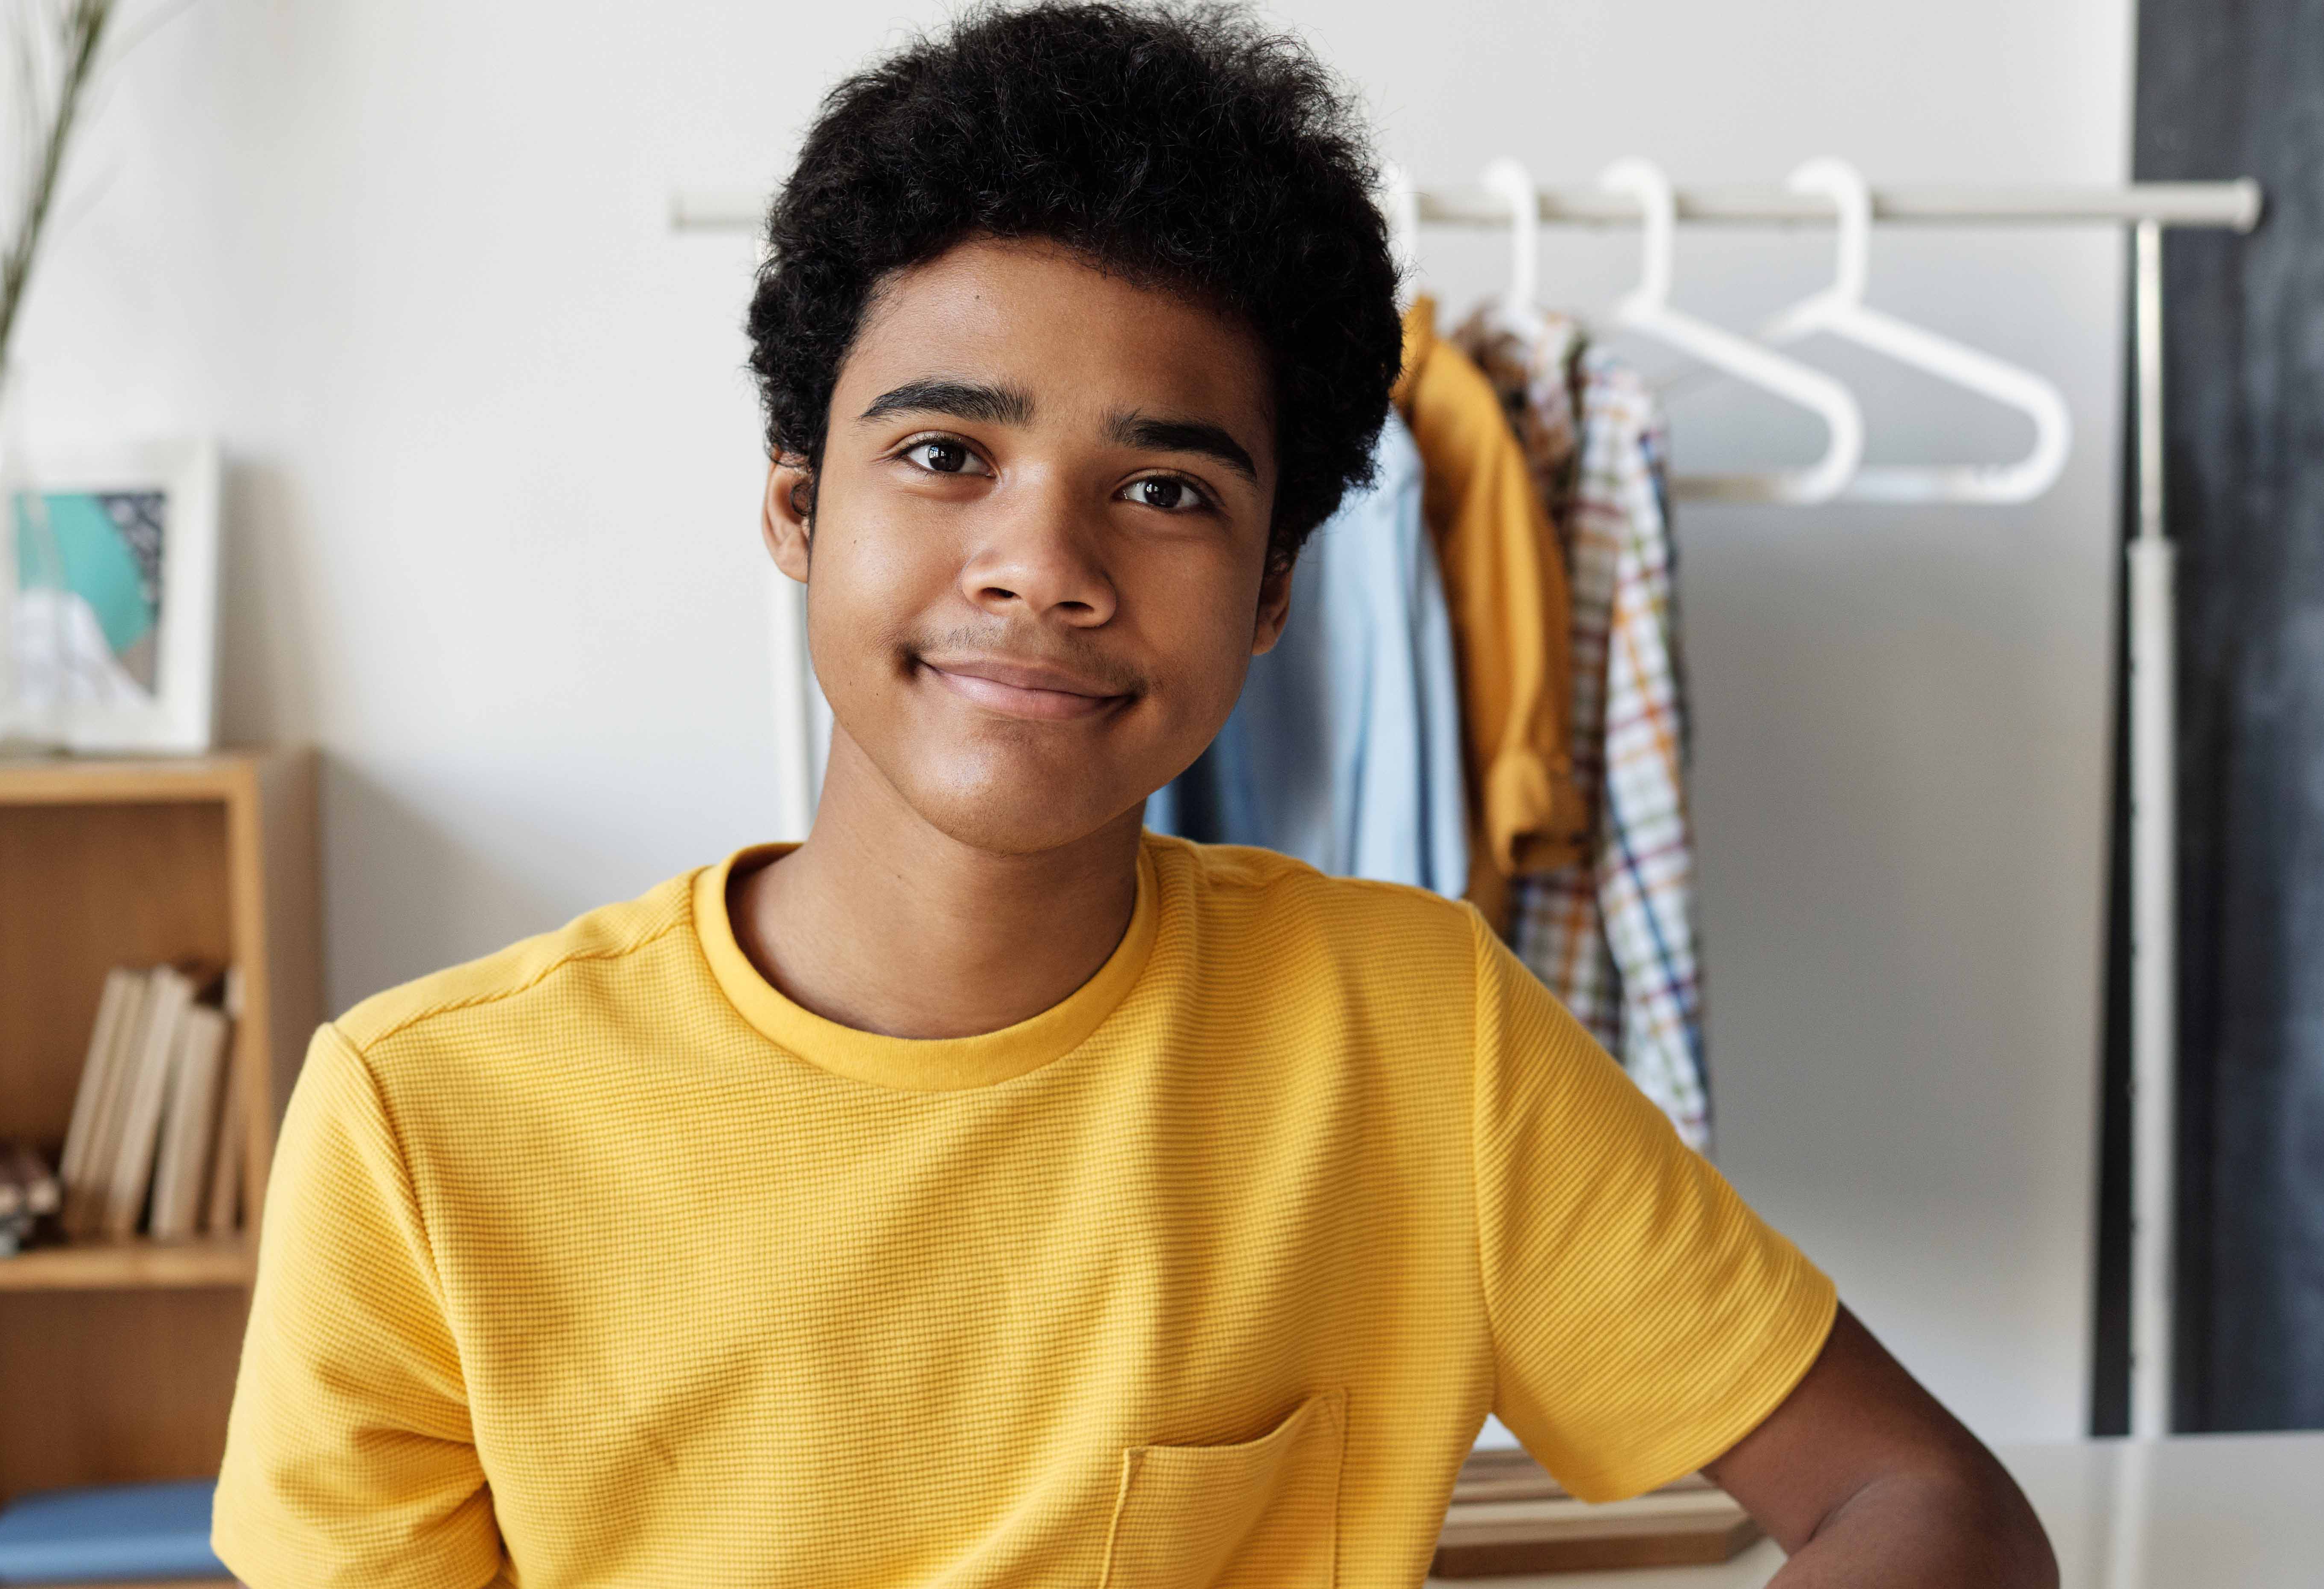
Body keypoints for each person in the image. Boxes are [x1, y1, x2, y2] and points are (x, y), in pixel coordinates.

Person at [211, 5, 2057, 1585]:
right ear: (794, 505)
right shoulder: (417, 1121)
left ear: (1270, 594)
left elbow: (1927, 1500)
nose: (1044, 564)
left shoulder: (1418, 1035)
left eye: (1165, 490)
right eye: (946, 453)